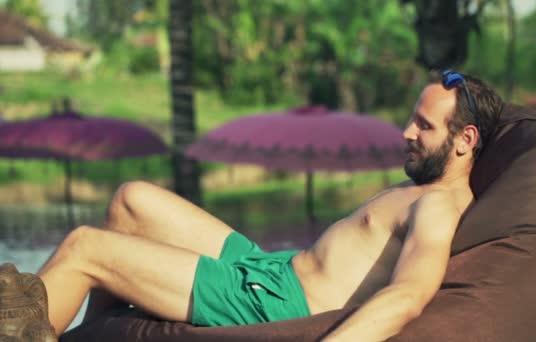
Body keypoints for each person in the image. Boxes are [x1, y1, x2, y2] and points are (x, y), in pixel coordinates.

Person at [37, 70, 503, 341]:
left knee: (84, 248)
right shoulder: (426, 191)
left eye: (423, 126)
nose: (406, 132)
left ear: (465, 140)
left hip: (275, 305)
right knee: (130, 201)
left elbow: (407, 296)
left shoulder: (439, 207)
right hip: (271, 268)